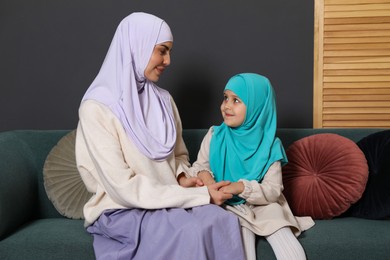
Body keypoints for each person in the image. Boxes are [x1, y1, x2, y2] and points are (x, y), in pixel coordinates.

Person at [75, 12, 245, 260]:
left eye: (169, 52)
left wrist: (182, 177)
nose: (168, 61)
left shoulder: (164, 100)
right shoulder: (96, 108)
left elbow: (178, 156)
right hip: (122, 208)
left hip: (171, 199)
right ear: (138, 46)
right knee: (190, 231)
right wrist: (199, 195)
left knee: (223, 221)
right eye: (162, 50)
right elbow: (122, 188)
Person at [187, 73, 315, 260]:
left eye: (236, 100)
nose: (227, 106)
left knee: (291, 252)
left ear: (257, 107)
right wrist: (206, 178)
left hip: (263, 205)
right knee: (241, 250)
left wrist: (240, 187)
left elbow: (272, 191)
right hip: (225, 206)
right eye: (225, 98)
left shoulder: (271, 145)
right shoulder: (215, 135)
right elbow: (200, 165)